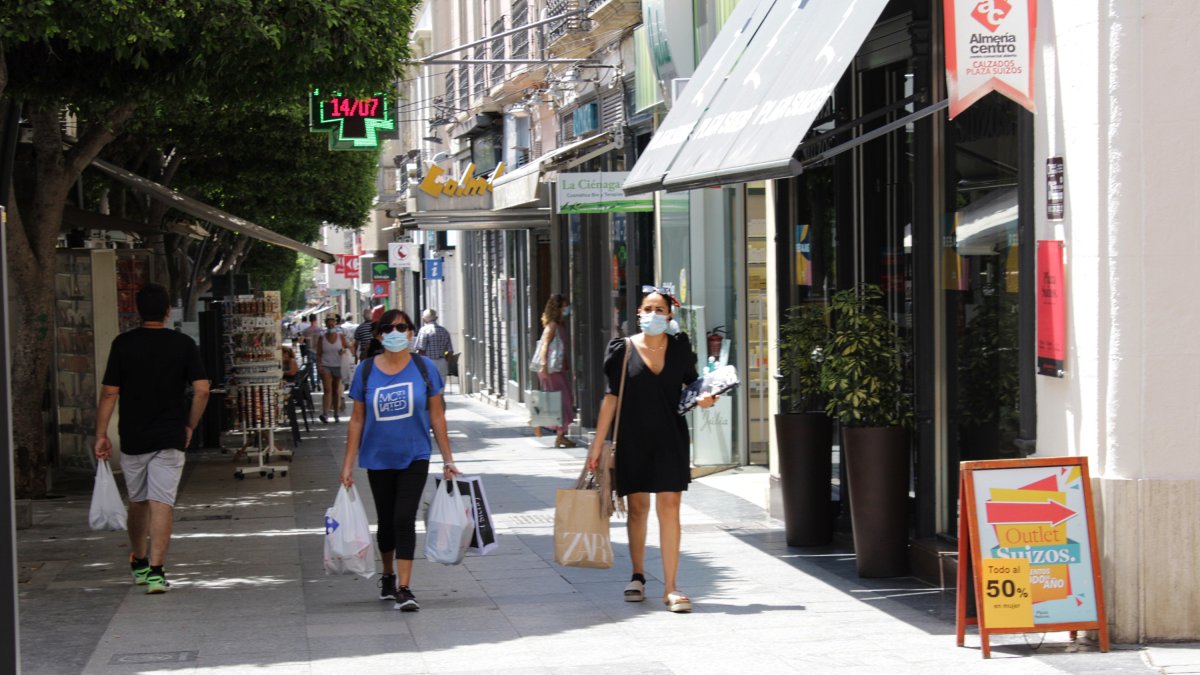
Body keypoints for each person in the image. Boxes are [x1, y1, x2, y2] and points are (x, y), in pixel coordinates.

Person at [586, 287, 717, 613]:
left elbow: (694, 386)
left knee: (670, 506)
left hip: (670, 438)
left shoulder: (680, 348)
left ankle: (671, 587)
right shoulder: (623, 350)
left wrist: (707, 399)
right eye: (647, 309)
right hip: (633, 438)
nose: (653, 315)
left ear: (670, 315)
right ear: (639, 313)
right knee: (639, 507)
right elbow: (611, 398)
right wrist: (596, 445)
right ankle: (638, 575)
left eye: (659, 310)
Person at [340, 309, 461, 611]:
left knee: (404, 518)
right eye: (389, 329)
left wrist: (448, 459)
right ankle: (388, 575)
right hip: (378, 458)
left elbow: (437, 415)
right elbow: (357, 420)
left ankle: (405, 589)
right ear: (379, 335)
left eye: (402, 327)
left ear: (411, 333)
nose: (396, 333)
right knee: (386, 522)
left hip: (414, 455)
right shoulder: (366, 371)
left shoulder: (423, 368)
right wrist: (347, 464)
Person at [94, 283, 210, 595]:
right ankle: (158, 573)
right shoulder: (183, 344)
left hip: (133, 435)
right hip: (170, 435)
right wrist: (189, 425)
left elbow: (109, 392)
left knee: (138, 501)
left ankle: (140, 561)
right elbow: (201, 389)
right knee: (163, 503)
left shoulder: (123, 344)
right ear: (168, 311)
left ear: (136, 310)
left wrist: (101, 434)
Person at [533, 294, 575, 447]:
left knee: (558, 399)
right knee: (563, 400)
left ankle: (559, 434)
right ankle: (538, 420)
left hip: (555, 368)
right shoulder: (552, 325)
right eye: (564, 306)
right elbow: (544, 344)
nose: (566, 309)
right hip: (550, 369)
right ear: (557, 308)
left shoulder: (559, 324)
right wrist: (543, 364)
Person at [316, 316, 351, 423]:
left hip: (339, 365)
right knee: (327, 389)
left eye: (333, 325)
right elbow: (318, 353)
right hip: (326, 365)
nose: (331, 327)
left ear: (335, 325)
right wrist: (319, 366)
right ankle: (325, 413)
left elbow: (348, 348)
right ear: (326, 325)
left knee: (336, 390)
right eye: (329, 325)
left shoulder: (341, 337)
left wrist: (344, 351)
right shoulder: (322, 338)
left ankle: (336, 413)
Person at [413, 308, 454, 383]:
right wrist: (445, 361)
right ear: (436, 318)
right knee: (441, 391)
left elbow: (420, 350)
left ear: (424, 319)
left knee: (430, 389)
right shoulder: (444, 331)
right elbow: (450, 352)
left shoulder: (424, 330)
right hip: (442, 362)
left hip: (428, 362)